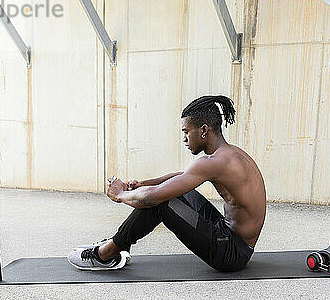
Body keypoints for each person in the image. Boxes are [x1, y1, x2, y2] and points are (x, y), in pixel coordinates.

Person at [67, 95, 267, 272]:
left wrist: (120, 195)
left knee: (161, 202)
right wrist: (143, 183)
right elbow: (183, 176)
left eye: (187, 132)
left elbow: (152, 198)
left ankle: (106, 254)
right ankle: (119, 244)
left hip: (231, 254)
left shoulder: (214, 162)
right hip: (235, 240)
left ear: (204, 130)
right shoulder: (230, 154)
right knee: (176, 191)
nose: (184, 139)